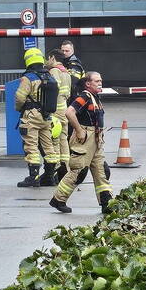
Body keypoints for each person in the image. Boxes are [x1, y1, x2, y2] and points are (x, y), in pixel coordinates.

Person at [50, 71, 113, 214]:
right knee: (79, 171)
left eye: (100, 81)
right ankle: (58, 200)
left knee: (101, 171)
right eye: (96, 81)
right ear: (88, 83)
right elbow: (69, 112)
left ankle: (106, 203)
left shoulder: (95, 97)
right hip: (85, 139)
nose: (100, 83)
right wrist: (79, 130)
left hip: (96, 140)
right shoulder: (84, 96)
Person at [14, 48, 59, 187]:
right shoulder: (50, 76)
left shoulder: (29, 78)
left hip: (31, 116)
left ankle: (33, 177)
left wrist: (19, 108)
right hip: (46, 116)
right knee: (48, 147)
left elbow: (20, 97)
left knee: (31, 145)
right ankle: (50, 177)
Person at [45, 49, 72, 182]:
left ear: (52, 58)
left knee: (54, 140)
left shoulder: (54, 71)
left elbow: (52, 91)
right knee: (63, 140)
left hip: (55, 112)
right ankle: (65, 168)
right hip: (64, 111)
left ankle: (55, 171)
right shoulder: (66, 72)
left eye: (47, 59)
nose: (46, 61)